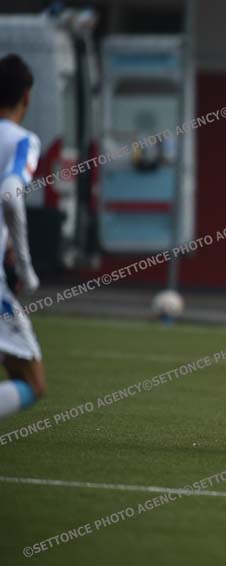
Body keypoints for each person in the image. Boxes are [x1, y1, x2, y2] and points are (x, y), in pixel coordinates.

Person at [0, 54, 45, 420]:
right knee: (33, 382)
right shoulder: (22, 141)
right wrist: (27, 269)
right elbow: (10, 195)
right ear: (26, 97)